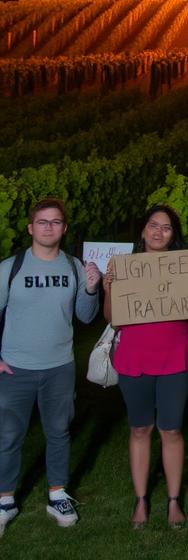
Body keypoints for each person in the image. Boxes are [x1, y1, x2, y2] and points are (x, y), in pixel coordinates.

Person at [0, 197, 100, 536]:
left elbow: (85, 317)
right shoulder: (9, 268)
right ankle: (5, 500)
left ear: (64, 228)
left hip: (59, 367)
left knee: (58, 433)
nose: (48, 227)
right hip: (15, 369)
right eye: (42, 222)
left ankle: (57, 494)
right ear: (31, 228)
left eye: (55, 222)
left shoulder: (73, 267)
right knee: (9, 435)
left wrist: (91, 288)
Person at [103, 203, 188, 528]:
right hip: (135, 358)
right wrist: (108, 291)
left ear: (173, 235)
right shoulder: (126, 268)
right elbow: (113, 321)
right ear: (143, 230)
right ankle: (141, 499)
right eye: (153, 225)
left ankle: (174, 500)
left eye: (166, 227)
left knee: (172, 429)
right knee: (139, 428)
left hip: (174, 356)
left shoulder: (183, 269)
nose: (158, 231)